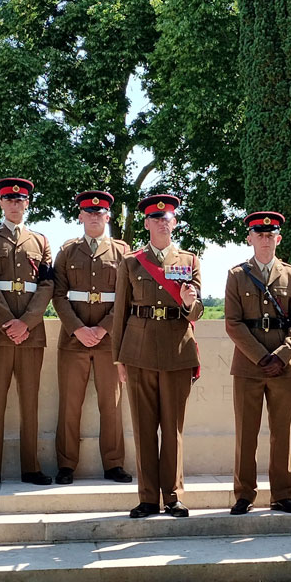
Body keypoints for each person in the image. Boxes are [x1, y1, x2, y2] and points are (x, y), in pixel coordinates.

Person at [111, 193, 203, 518]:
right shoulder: (131, 262)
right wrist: (118, 359)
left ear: (174, 222)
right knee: (144, 427)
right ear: (147, 223)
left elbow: (197, 313)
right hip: (138, 352)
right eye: (156, 218)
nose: (163, 222)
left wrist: (190, 301)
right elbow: (119, 312)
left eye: (168, 218)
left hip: (178, 350)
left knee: (173, 429)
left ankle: (174, 496)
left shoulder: (190, 261)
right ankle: (148, 498)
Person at [223, 211, 291, 515]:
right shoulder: (237, 275)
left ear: (278, 239)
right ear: (249, 238)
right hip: (249, 366)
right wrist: (260, 357)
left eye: (270, 235)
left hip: (283, 367)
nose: (265, 240)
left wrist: (281, 356)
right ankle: (244, 494)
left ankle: (283, 495)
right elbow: (232, 323)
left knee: (281, 432)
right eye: (259, 235)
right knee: (246, 433)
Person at [0, 177, 55, 487]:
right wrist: (9, 321)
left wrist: (28, 321)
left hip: (31, 333)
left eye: (20, 200)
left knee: (30, 402)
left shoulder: (41, 241)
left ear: (28, 204)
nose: (14, 204)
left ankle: (31, 467)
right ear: (1, 204)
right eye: (9, 200)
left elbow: (47, 284)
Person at [51, 190, 132, 485]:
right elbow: (58, 296)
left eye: (100, 213)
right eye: (89, 212)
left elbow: (126, 299)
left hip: (109, 341)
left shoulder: (123, 253)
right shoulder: (67, 251)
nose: (95, 217)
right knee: (69, 404)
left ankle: (113, 463)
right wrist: (78, 329)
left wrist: (102, 329)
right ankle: (65, 464)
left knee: (111, 405)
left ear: (108, 217)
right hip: (73, 340)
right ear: (80, 216)